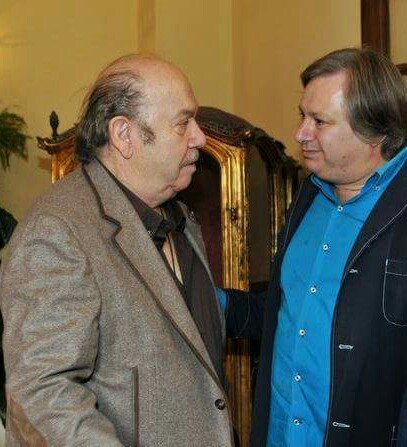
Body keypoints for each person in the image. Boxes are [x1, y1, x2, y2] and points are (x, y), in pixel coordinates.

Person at [0, 55, 234, 446]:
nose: (199, 138)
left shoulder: (181, 217)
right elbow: (41, 395)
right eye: (183, 123)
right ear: (124, 135)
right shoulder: (57, 230)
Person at [247, 48, 407, 446]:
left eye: (319, 121)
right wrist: (204, 298)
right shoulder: (307, 196)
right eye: (302, 116)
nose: (301, 133)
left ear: (374, 131)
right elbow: (285, 310)